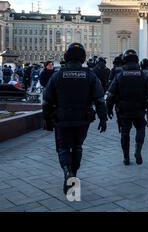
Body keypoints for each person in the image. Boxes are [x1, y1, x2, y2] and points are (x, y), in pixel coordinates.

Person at [42, 43, 108, 194]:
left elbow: (46, 100)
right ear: (83, 58)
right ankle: (74, 176)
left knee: (63, 147)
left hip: (62, 119)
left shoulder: (57, 75)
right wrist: (103, 119)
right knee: (77, 146)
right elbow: (100, 99)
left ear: (66, 57)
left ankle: (67, 172)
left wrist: (46, 118)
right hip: (82, 119)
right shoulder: (90, 75)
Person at [106, 49, 148, 166]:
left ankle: (126, 157)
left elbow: (110, 95)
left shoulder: (119, 75)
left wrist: (109, 109)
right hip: (139, 109)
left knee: (125, 133)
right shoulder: (143, 75)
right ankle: (138, 151)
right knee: (140, 129)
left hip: (124, 110)